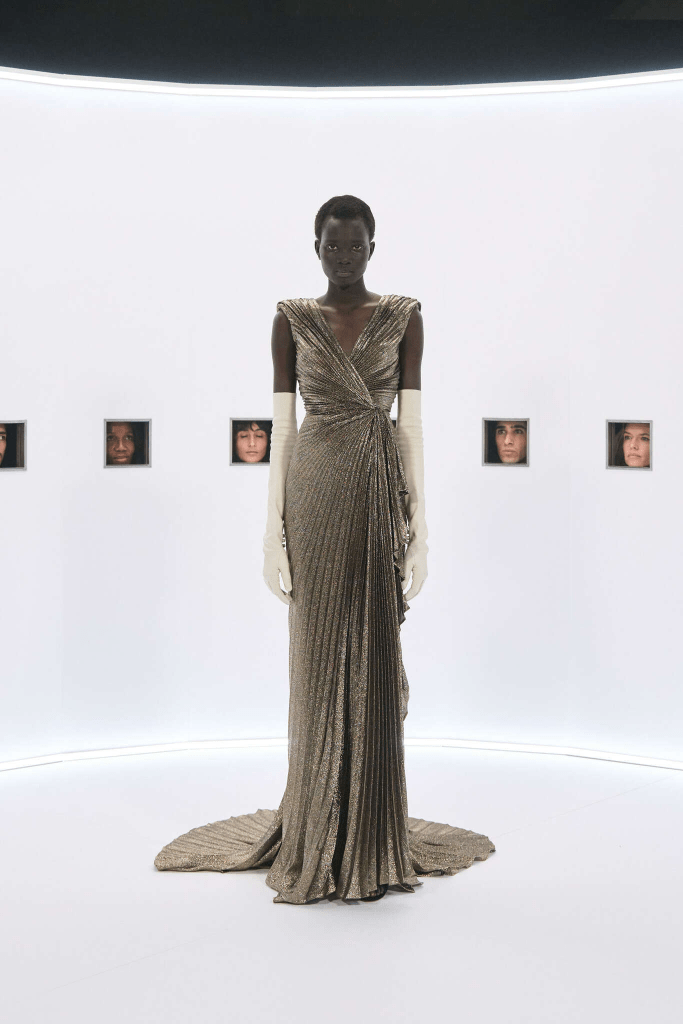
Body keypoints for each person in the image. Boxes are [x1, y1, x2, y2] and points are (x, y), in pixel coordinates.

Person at [155, 195, 495, 902]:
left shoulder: (404, 317)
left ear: (373, 246)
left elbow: (411, 426)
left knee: (372, 648)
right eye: (332, 245)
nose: (344, 257)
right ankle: (315, 823)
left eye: (355, 245)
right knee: (314, 652)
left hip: (375, 492)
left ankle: (370, 830)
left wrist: (420, 529)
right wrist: (270, 530)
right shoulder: (291, 319)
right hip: (312, 491)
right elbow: (282, 429)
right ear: (316, 247)